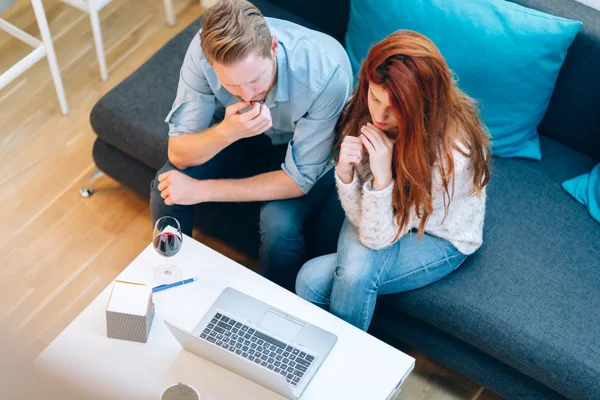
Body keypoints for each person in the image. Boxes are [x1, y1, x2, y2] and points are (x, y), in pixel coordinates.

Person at [295, 31, 491, 331]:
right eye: (375, 98)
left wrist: (383, 176)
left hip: (438, 234)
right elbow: (366, 219)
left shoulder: (453, 153)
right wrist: (347, 175)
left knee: (333, 277)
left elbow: (377, 237)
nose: (380, 116)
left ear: (421, 105)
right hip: (385, 211)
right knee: (309, 280)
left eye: (395, 108)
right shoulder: (365, 107)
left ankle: (342, 365)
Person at [150, 0, 352, 291]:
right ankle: (172, 280)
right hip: (238, 131)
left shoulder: (326, 73)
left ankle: (275, 308)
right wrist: (227, 132)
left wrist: (201, 191)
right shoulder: (202, 51)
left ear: (272, 46)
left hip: (301, 147)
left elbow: (297, 181)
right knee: (166, 187)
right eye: (231, 85)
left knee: (279, 227)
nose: (246, 95)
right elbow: (178, 154)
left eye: (255, 80)